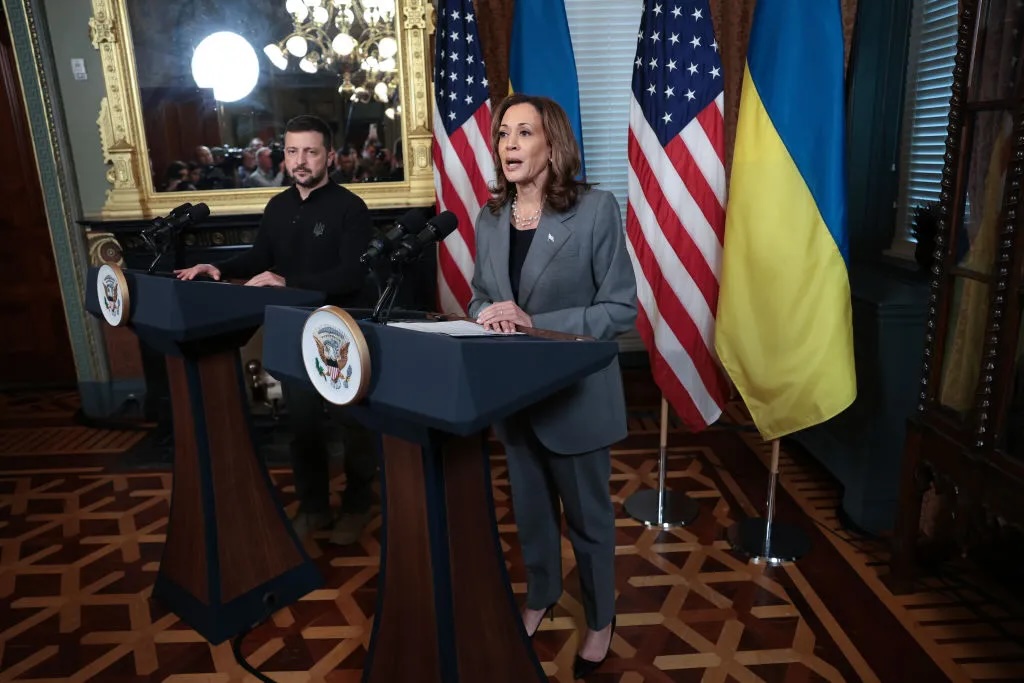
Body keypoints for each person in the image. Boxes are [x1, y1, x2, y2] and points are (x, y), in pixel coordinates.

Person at [468, 94, 637, 680]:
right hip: (515, 396)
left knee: (589, 521)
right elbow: (479, 295)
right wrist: (490, 312)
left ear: (552, 144)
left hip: (577, 397)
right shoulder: (490, 217)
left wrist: (534, 324)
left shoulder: (594, 210)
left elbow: (619, 310)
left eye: (523, 133)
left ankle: (599, 618)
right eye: (503, 134)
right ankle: (540, 595)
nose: (509, 145)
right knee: (533, 515)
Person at [175, 115, 378, 546]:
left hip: (341, 331)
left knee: (352, 423)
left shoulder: (350, 208)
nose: (300, 160)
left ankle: (359, 504)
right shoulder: (279, 206)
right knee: (302, 424)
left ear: (329, 156)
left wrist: (289, 281)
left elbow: (351, 276)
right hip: (292, 330)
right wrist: (217, 268)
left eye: (310, 151)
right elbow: (257, 258)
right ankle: (314, 508)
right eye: (291, 151)